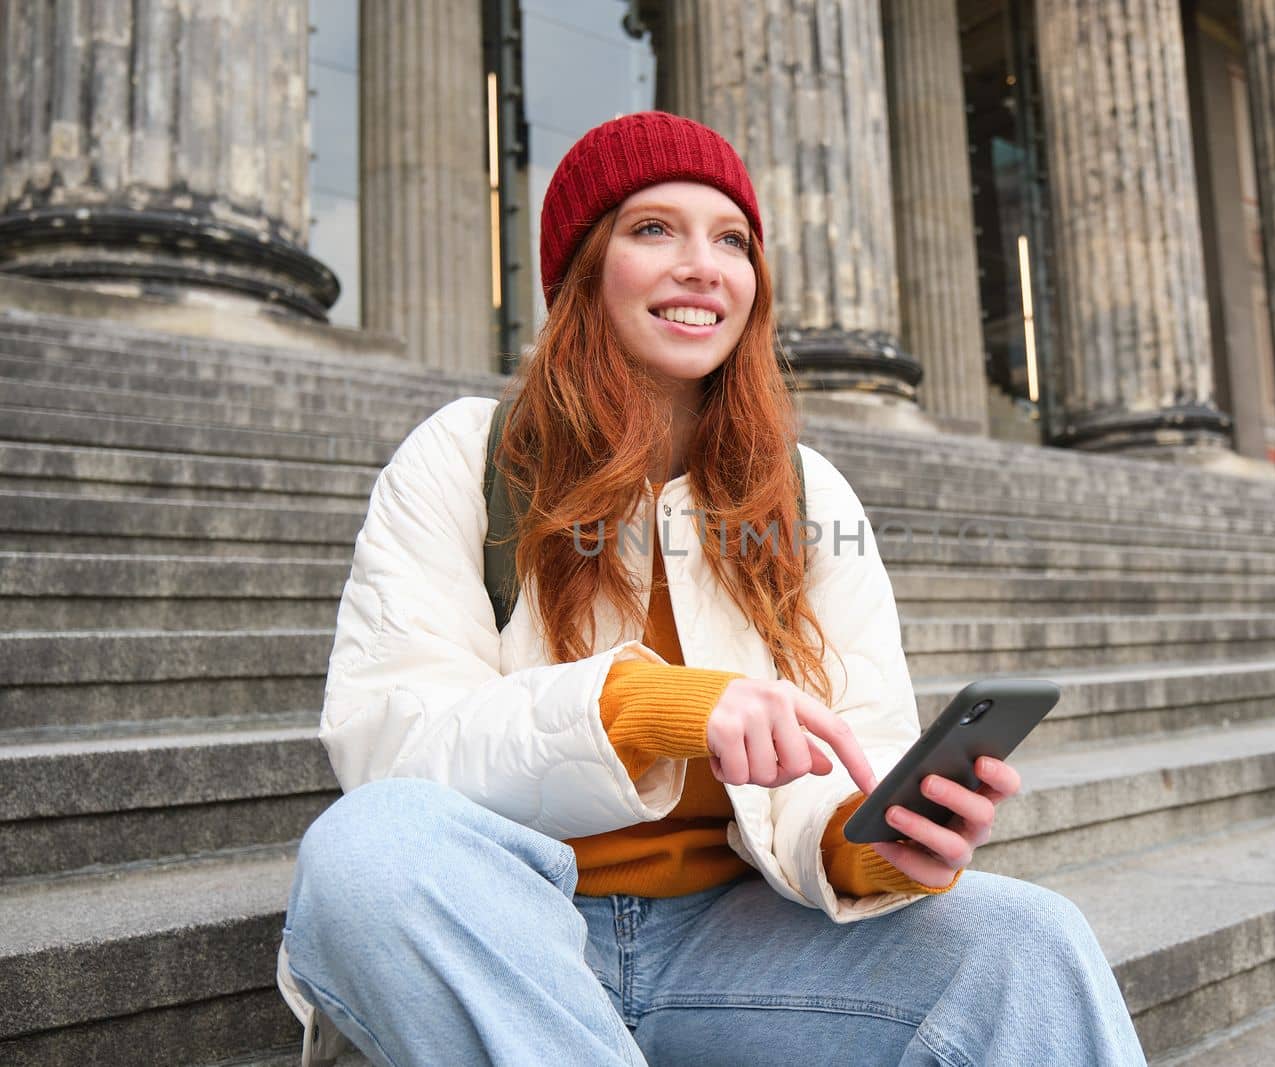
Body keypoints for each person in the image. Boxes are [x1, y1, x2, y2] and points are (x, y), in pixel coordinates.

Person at [274, 110, 1147, 1067]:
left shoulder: (807, 493)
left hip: (730, 945)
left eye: (730, 240)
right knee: (367, 849)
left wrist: (870, 843)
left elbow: (863, 736)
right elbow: (392, 741)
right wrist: (643, 706)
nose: (704, 266)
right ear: (582, 268)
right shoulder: (464, 452)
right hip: (510, 934)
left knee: (1032, 941)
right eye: (654, 230)